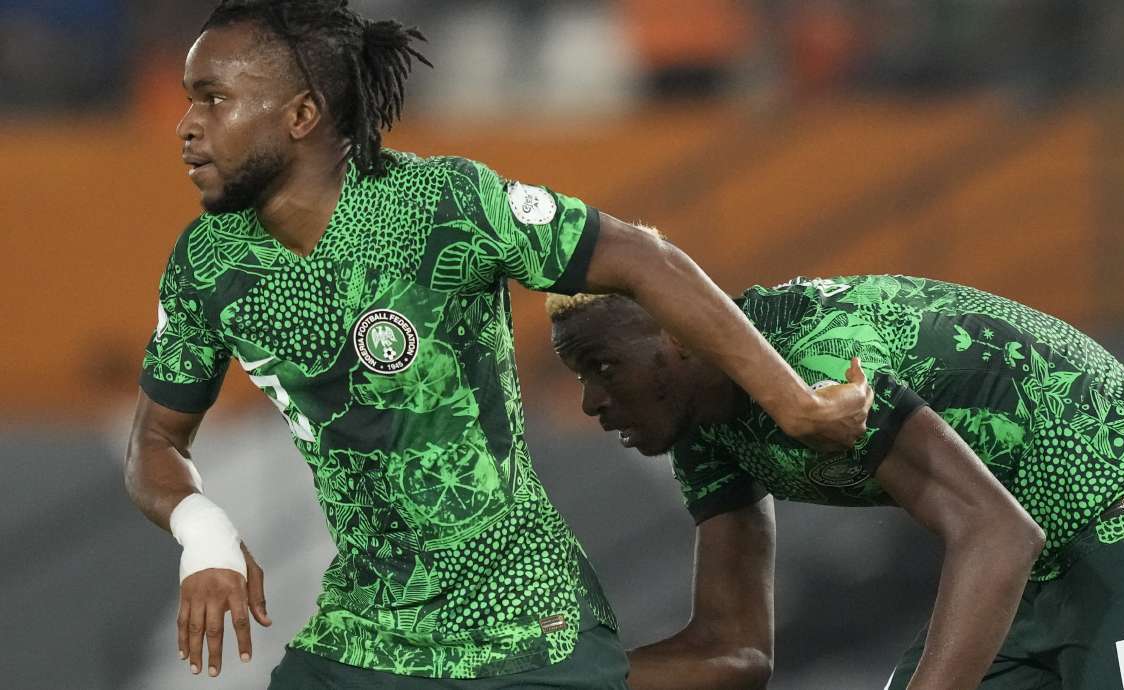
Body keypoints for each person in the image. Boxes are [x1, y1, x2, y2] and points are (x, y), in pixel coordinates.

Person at [122, 1, 874, 688]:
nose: (186, 124)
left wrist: (795, 404)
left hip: (520, 628)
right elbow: (156, 443)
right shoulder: (209, 264)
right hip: (362, 637)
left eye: (212, 98)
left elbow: (648, 261)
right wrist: (204, 533)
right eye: (190, 98)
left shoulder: (443, 206)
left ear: (302, 114)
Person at [548, 270, 1124, 689]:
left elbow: (997, 534)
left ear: (684, 336)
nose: (590, 402)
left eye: (603, 365)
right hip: (1040, 567)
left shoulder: (823, 360)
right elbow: (735, 651)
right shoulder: (707, 426)